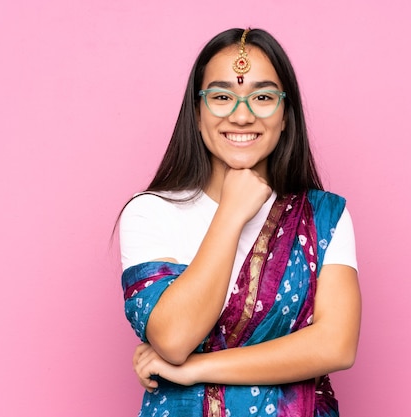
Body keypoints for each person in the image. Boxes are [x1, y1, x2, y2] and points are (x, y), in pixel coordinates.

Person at [119, 28, 361, 417]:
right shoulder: (151, 212)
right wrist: (231, 212)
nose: (242, 114)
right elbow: (174, 338)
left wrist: (195, 369)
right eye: (221, 97)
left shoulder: (323, 216)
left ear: (286, 116)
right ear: (197, 115)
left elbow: (335, 345)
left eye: (263, 97)